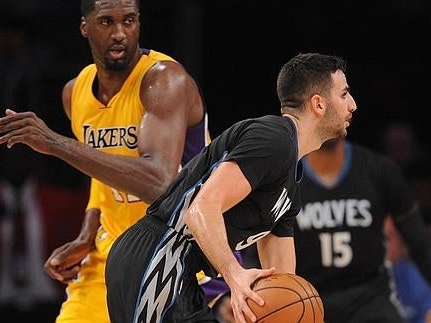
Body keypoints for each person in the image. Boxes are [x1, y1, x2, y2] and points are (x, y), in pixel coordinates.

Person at [0, 0, 210, 321]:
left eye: (129, 21)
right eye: (107, 22)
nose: (120, 33)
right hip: (109, 260)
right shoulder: (75, 92)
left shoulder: (164, 81)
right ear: (85, 27)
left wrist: (54, 143)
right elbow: (100, 170)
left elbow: (160, 183)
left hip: (175, 255)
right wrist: (86, 234)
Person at [105, 52, 357, 323]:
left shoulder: (289, 180)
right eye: (344, 94)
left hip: (180, 269)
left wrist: (284, 310)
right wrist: (234, 273)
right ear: (318, 104)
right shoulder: (273, 139)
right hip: (157, 255)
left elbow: (285, 282)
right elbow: (201, 207)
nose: (352, 105)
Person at [289, 138, 431, 322]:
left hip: (370, 299)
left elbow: (422, 246)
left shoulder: (378, 169)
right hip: (308, 299)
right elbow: (261, 247)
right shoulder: (284, 175)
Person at [0, 145, 87, 323]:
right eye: (10, 156)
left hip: (51, 308)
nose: (16, 162)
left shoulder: (64, 203)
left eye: (22, 155)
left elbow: (82, 255)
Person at [384, 217, 431, 323]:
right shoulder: (361, 276)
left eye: (390, 237)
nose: (385, 245)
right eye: (384, 237)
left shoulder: (410, 271)